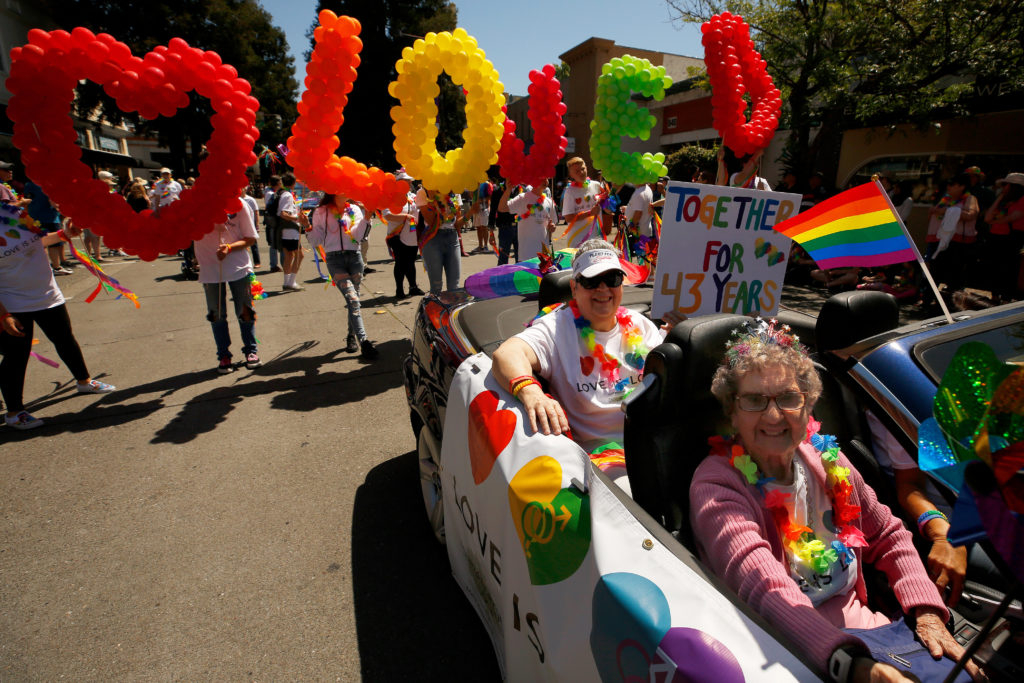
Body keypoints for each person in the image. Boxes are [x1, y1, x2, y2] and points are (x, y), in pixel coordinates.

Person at [690, 319, 980, 682]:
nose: (774, 415)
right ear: (731, 411)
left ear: (809, 405)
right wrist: (851, 665)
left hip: (876, 632)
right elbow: (765, 587)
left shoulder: (827, 459)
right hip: (786, 651)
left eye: (788, 398)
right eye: (753, 400)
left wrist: (926, 613)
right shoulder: (717, 485)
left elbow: (888, 533)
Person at [490, 240, 676, 458]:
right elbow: (507, 354)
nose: (603, 288)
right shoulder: (556, 328)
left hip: (651, 442)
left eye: (612, 279)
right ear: (574, 288)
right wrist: (531, 391)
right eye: (592, 281)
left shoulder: (640, 324)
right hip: (600, 458)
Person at [1, 207, 115, 430]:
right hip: (12, 303)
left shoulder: (16, 215)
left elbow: (37, 242)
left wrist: (65, 234)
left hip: (48, 295)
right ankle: (15, 413)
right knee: (16, 356)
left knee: (65, 340)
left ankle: (83, 382)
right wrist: (3, 314)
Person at [307, 194, 379, 359]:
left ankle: (351, 336)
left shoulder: (353, 209)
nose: (346, 190)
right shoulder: (321, 211)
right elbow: (315, 240)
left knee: (353, 301)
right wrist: (307, 226)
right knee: (353, 299)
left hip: (355, 258)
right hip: (335, 260)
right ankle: (364, 341)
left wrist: (367, 218)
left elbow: (359, 237)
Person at [193, 200, 260, 374]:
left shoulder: (239, 205)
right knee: (217, 314)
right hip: (209, 269)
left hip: (238, 268)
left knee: (245, 311)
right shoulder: (197, 205)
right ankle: (224, 355)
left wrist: (229, 248)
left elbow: (250, 239)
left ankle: (251, 351)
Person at [984, 172, 1024, 302]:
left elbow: (1014, 217)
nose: (1004, 187)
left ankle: (1006, 297)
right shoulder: (1004, 201)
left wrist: (995, 221)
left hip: (1012, 238)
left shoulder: (1022, 200)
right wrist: (1000, 197)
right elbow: (987, 217)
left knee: (1009, 269)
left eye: (1006, 184)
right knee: (994, 267)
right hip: (996, 237)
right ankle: (994, 295)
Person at [417, 188, 465, 293]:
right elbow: (431, 222)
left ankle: (450, 309)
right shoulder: (424, 192)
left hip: (452, 237)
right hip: (433, 238)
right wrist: (431, 199)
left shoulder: (454, 192)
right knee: (436, 286)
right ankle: (436, 309)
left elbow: (457, 224)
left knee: (454, 287)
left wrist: (470, 213)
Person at [382, 183, 423, 299]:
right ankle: (399, 290)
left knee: (411, 262)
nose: (408, 184)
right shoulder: (390, 196)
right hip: (397, 235)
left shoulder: (412, 196)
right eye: (405, 181)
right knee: (400, 263)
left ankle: (413, 287)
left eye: (409, 181)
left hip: (412, 236)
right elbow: (388, 216)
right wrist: (406, 217)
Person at [501, 181, 557, 262]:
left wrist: (552, 228)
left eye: (547, 178)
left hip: (544, 255)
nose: (545, 181)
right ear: (533, 179)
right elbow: (502, 208)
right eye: (541, 178)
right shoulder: (523, 198)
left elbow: (551, 226)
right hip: (526, 255)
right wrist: (508, 190)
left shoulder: (549, 202)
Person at [23, 178, 68, 274]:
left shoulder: (29, 185)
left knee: (40, 244)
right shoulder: (48, 184)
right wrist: (63, 210)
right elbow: (53, 201)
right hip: (50, 218)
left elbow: (27, 202)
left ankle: (45, 267)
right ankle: (56, 267)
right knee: (54, 244)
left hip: (34, 218)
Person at [560, 157, 605, 248]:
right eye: (577, 171)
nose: (581, 172)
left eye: (583, 169)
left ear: (586, 168)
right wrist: (590, 213)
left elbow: (605, 206)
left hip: (597, 239)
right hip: (578, 241)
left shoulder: (596, 185)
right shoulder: (570, 191)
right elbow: (568, 218)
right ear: (571, 175)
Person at [277, 173, 309, 291]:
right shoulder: (287, 195)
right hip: (290, 231)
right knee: (299, 256)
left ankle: (287, 282)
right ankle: (291, 282)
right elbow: (283, 213)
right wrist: (297, 218)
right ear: (294, 183)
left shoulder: (283, 193)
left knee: (289, 256)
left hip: (286, 230)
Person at [489, 179, 517, 265]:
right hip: (504, 228)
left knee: (521, 259)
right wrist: (491, 233)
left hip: (520, 228)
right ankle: (501, 278)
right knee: (503, 259)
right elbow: (493, 211)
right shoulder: (498, 190)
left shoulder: (521, 190)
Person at [263, 175, 283, 273]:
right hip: (273, 220)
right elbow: (270, 207)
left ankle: (274, 264)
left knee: (275, 243)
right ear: (278, 184)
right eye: (280, 182)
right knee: (273, 243)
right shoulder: (270, 193)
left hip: (273, 220)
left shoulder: (271, 192)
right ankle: (273, 265)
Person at [239, 187, 261, 269]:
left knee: (253, 244)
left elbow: (256, 212)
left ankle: (257, 262)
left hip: (251, 224)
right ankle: (245, 263)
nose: (242, 190)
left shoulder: (251, 200)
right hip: (240, 225)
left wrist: (257, 224)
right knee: (242, 244)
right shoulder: (236, 200)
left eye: (243, 188)